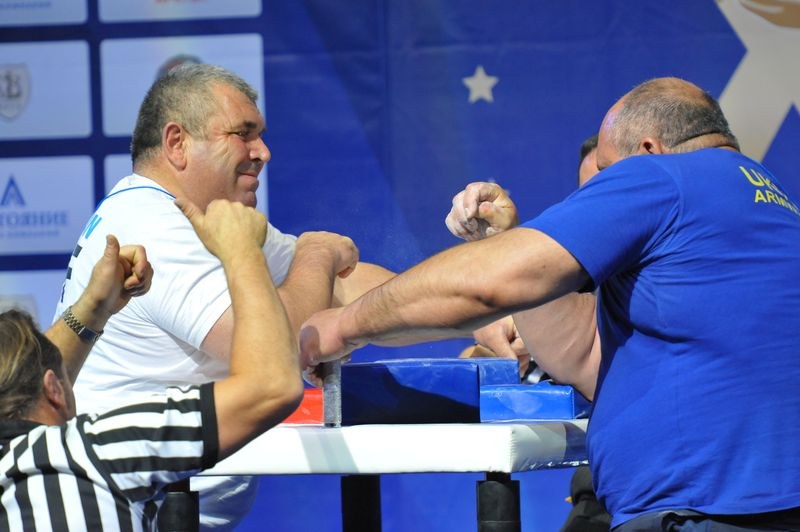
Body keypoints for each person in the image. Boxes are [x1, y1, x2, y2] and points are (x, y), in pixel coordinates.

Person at [299, 77, 800, 530]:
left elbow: (486, 286)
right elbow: (587, 355)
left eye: (605, 174)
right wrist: (510, 240)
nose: (603, 189)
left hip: (702, 513)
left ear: (648, 149)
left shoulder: (662, 177)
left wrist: (345, 325)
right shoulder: (763, 198)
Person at [54, 63, 391, 529]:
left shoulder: (202, 217)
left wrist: (479, 316)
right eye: (244, 133)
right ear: (177, 143)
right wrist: (317, 252)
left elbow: (341, 285)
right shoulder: (153, 227)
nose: (264, 152)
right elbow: (283, 348)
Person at [3, 197, 350, 529]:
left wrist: (93, 309)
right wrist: (241, 250)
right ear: (53, 389)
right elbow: (273, 385)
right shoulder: (97, 449)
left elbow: (31, 375)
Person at [450, 134, 610, 531]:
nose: (603, 208)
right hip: (604, 498)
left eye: (613, 187)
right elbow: (474, 362)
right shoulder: (579, 279)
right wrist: (504, 352)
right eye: (589, 195)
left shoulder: (679, 277)